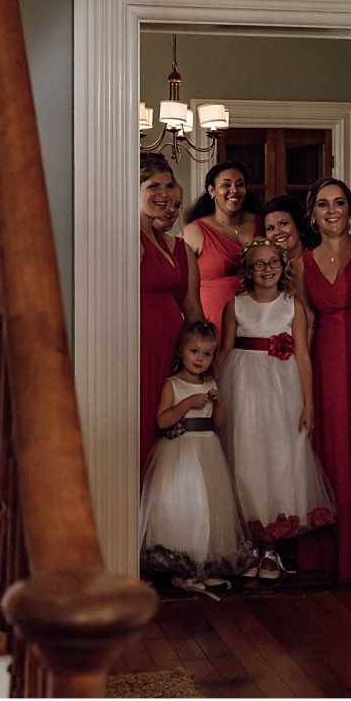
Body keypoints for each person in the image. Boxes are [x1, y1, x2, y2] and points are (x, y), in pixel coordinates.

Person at [221, 237, 336, 580]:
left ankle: (271, 548)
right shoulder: (235, 305)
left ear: (283, 267)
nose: (267, 269)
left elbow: (303, 354)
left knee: (281, 456)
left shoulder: (292, 304)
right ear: (247, 270)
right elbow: (225, 351)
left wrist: (309, 403)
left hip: (283, 389)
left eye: (273, 262)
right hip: (243, 388)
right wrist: (215, 393)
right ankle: (252, 543)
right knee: (248, 457)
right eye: (259, 263)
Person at [140, 320, 254, 594]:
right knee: (186, 505)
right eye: (194, 351)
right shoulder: (173, 384)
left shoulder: (211, 383)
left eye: (207, 353)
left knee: (208, 505)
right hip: (180, 452)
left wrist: (219, 403)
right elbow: (163, 420)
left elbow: (221, 422)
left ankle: (204, 565)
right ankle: (182, 566)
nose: (200, 359)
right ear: (181, 351)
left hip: (207, 449)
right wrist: (188, 403)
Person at [299, 176, 351, 583]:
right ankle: (335, 555)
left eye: (339, 202)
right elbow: (304, 327)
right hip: (326, 360)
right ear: (313, 214)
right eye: (323, 204)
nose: (332, 210)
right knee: (333, 445)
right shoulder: (302, 262)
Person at [139, 155, 203, 470]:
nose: (163, 194)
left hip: (171, 354)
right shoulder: (127, 238)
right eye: (153, 186)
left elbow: (192, 308)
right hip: (137, 352)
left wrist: (202, 358)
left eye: (168, 185)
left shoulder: (173, 245)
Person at [182, 162, 262, 329]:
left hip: (258, 321)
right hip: (213, 326)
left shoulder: (261, 222)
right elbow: (175, 275)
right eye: (226, 184)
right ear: (212, 191)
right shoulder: (195, 231)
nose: (234, 190)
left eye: (240, 184)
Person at [262, 194, 317, 335]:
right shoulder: (272, 267)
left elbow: (309, 318)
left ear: (298, 227)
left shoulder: (308, 261)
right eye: (270, 228)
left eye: (283, 224)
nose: (277, 232)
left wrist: (302, 357)